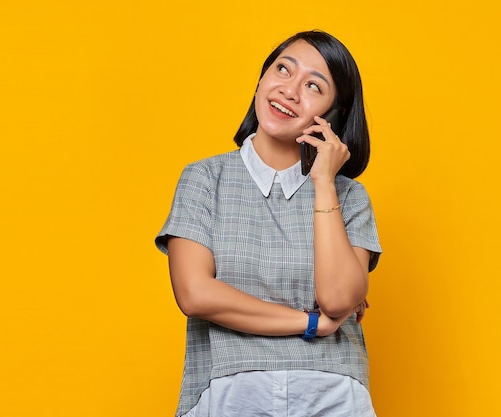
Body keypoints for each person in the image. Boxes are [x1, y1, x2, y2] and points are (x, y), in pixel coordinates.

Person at [155, 30, 382, 417]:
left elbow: (338, 298)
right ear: (261, 79)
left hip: (332, 393)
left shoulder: (348, 196)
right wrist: (312, 323)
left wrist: (325, 182)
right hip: (229, 390)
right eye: (282, 69)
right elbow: (194, 294)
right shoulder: (205, 179)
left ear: (333, 115)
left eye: (313, 85)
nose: (290, 91)